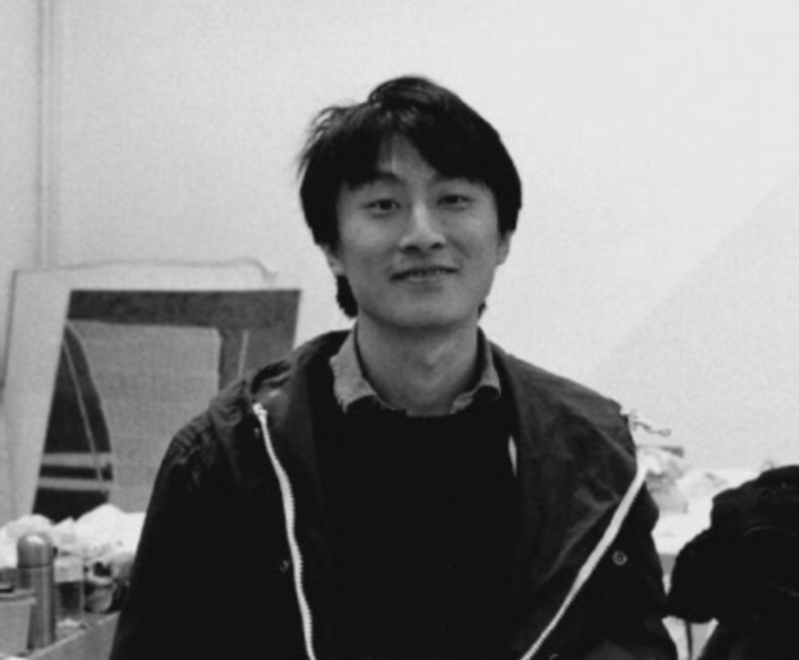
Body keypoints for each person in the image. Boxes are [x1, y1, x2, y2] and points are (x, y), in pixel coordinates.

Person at [109, 76, 677, 660]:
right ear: (332, 247)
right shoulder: (229, 458)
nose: (422, 234)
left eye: (454, 199)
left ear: (503, 235)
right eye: (384, 205)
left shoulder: (592, 450)